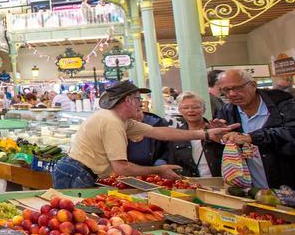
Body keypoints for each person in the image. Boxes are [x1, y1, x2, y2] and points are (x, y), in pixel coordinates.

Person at [50, 81, 236, 189]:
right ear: (128, 101)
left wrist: (205, 134)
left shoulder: (122, 120)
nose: (141, 103)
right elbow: (122, 168)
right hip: (77, 173)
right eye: (139, 99)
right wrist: (158, 171)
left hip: (78, 170)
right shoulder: (112, 122)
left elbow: (160, 132)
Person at [215, 69, 295, 188]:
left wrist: (251, 137)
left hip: (288, 184)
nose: (232, 94)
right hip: (254, 191)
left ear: (253, 85)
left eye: (237, 88)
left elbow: (291, 133)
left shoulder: (283, 105)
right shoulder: (226, 111)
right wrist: (220, 137)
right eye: (226, 90)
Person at [172, 91, 213, 177]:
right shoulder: (177, 135)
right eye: (186, 108)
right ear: (180, 110)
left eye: (196, 107)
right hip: (192, 183)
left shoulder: (214, 130)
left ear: (204, 109)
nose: (191, 110)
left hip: (219, 180)